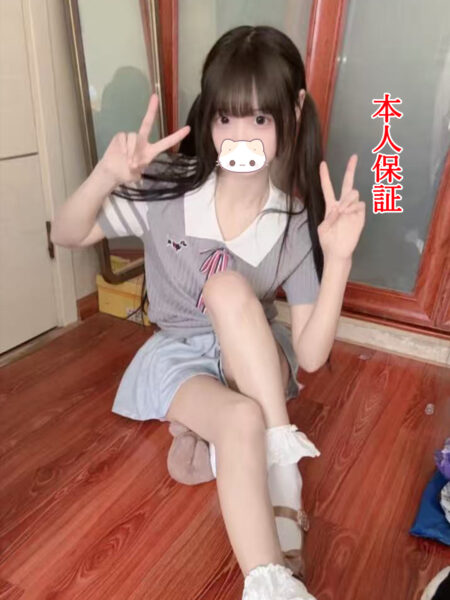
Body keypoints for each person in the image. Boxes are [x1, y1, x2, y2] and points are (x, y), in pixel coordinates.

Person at [52, 25, 365, 600]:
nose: (239, 138)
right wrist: (104, 177)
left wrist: (339, 260)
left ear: (293, 112)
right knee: (238, 412)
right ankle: (274, 579)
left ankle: (278, 473)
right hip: (179, 356)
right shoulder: (169, 191)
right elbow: (67, 233)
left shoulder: (293, 221)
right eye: (225, 118)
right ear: (209, 117)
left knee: (228, 292)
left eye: (260, 119)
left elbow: (311, 354)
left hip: (252, 353)